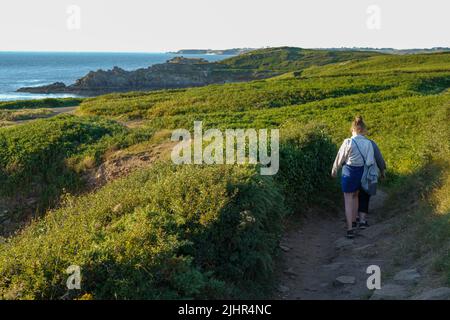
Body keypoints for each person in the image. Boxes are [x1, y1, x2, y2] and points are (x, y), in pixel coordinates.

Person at [331, 116, 375, 239]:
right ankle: (356, 222)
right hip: (361, 173)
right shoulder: (368, 143)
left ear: (353, 130)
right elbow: (370, 161)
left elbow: (340, 157)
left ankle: (350, 228)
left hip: (349, 172)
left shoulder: (348, 142)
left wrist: (334, 170)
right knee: (356, 196)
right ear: (363, 130)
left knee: (348, 199)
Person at [357, 140, 386, 229]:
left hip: (353, 174)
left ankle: (354, 218)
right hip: (368, 174)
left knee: (354, 195)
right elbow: (379, 158)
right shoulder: (371, 143)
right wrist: (382, 171)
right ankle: (362, 221)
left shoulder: (349, 142)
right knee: (365, 196)